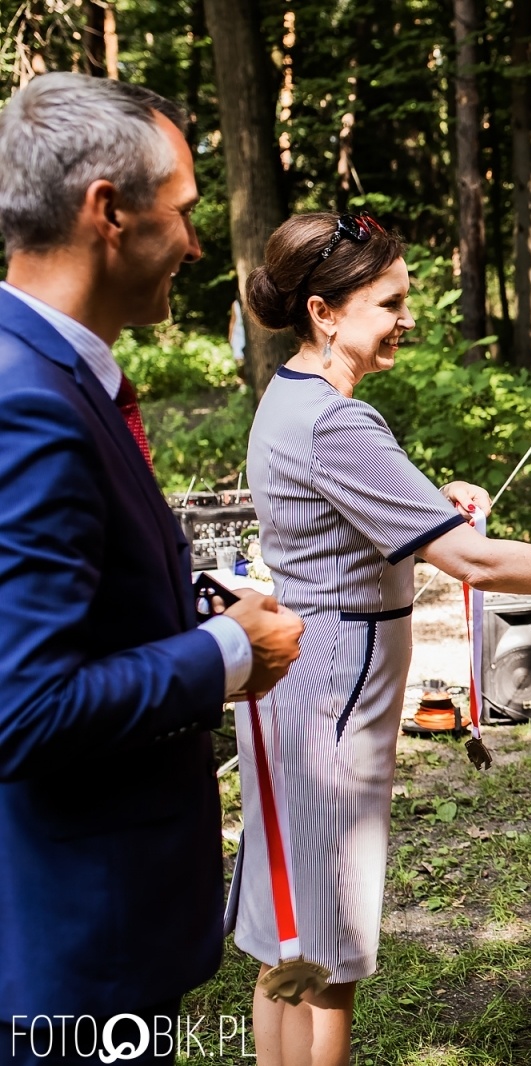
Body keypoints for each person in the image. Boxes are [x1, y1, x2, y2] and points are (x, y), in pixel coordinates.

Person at [235, 211, 531, 1065]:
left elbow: (341, 521)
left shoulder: (292, 393)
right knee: (326, 959)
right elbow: (475, 561)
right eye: (390, 302)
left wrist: (423, 509)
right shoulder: (338, 423)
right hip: (333, 694)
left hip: (294, 685)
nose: (407, 317)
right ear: (325, 313)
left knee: (288, 942)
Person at [0, 73, 305, 1061]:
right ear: (108, 213)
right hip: (72, 950)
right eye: (180, 214)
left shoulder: (42, 370)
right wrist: (227, 650)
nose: (196, 244)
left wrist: (187, 603)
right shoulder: (31, 406)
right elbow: (23, 706)